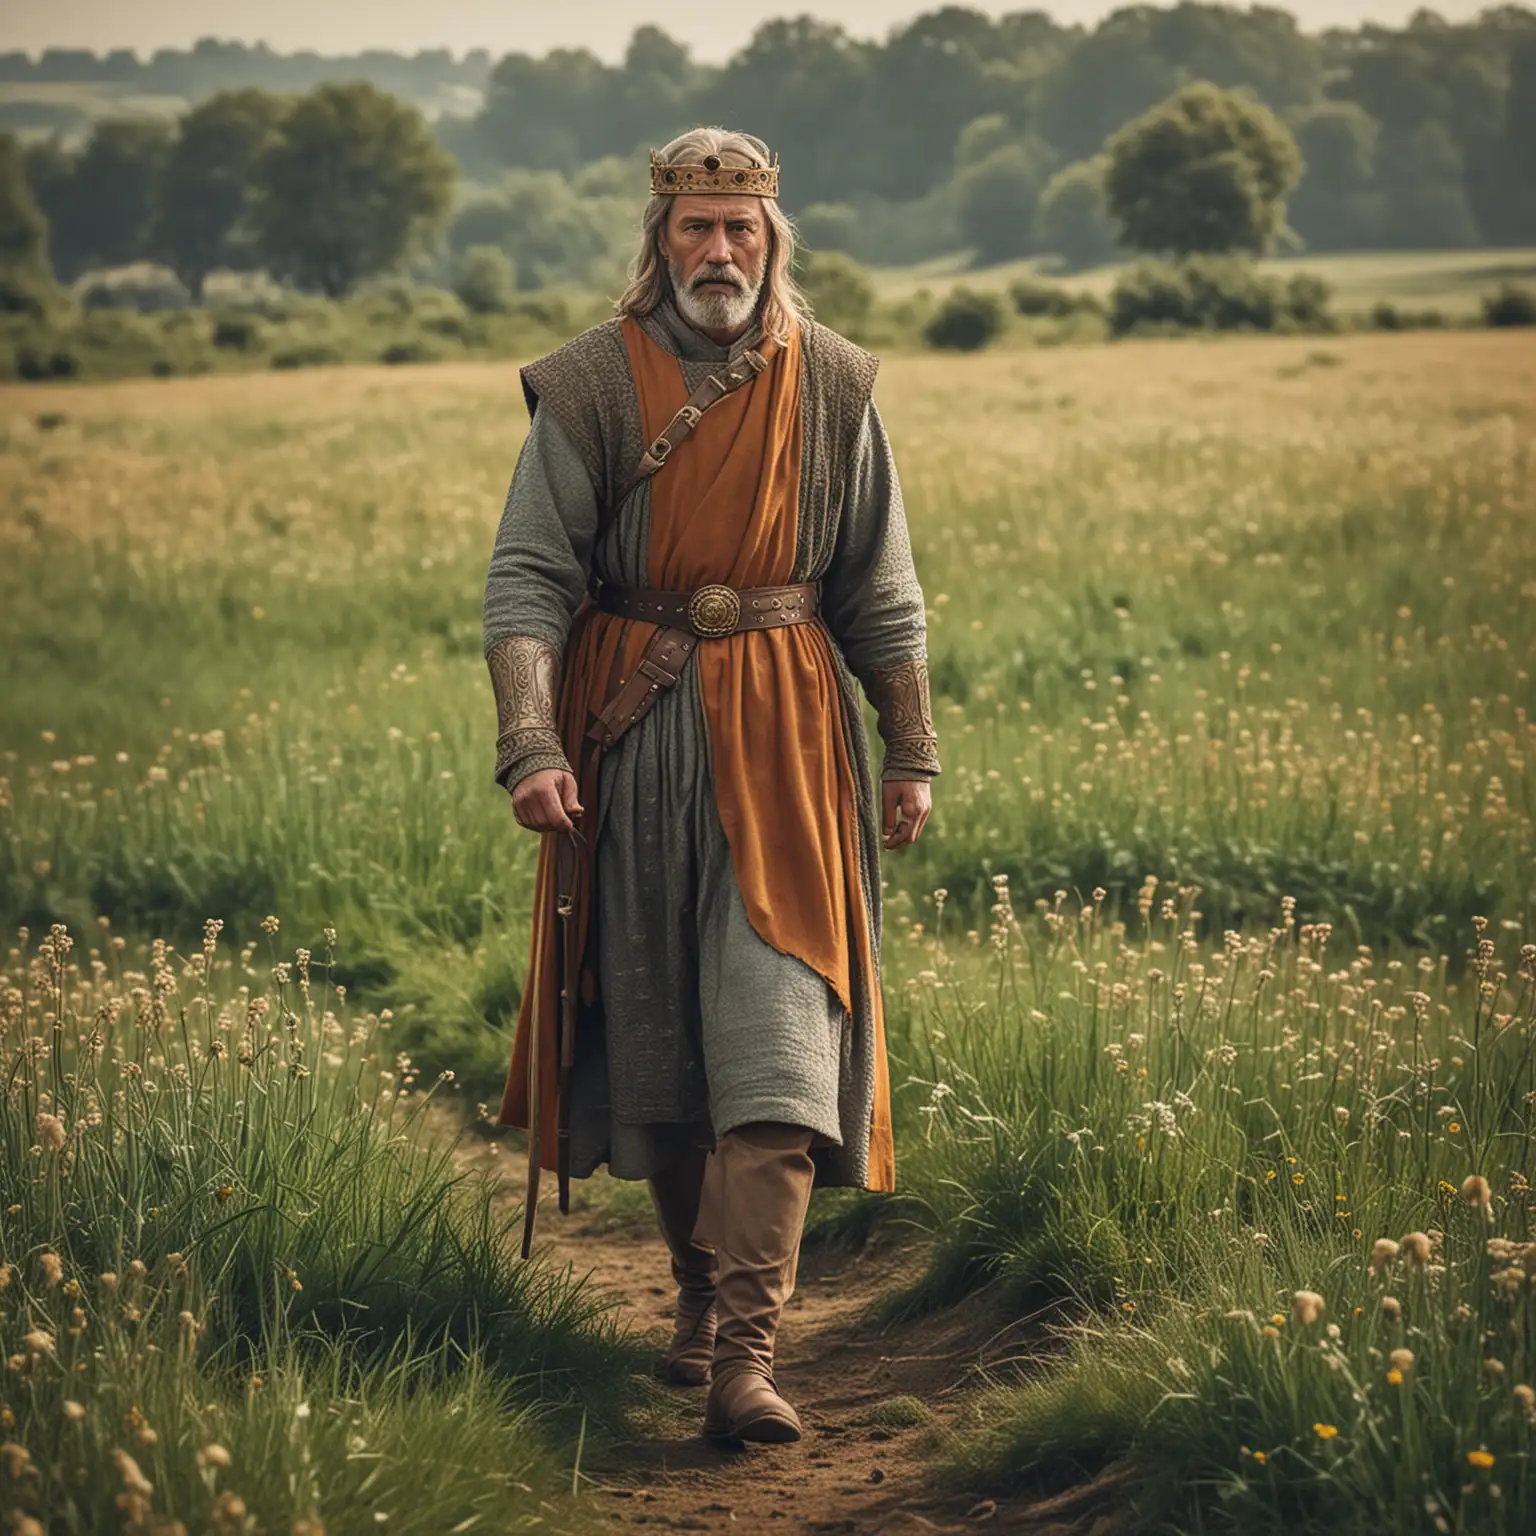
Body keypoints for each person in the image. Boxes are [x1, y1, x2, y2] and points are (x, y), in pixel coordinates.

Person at [482, 126, 939, 1445]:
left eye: (742, 230)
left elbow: (880, 589)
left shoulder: (837, 385)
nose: (720, 252)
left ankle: (747, 1357)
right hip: (631, 744)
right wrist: (532, 743)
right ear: (660, 238)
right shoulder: (588, 388)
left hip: (791, 748)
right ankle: (691, 1293)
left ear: (772, 241)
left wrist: (909, 751)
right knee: (666, 1061)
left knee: (779, 1055)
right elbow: (529, 579)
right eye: (697, 228)